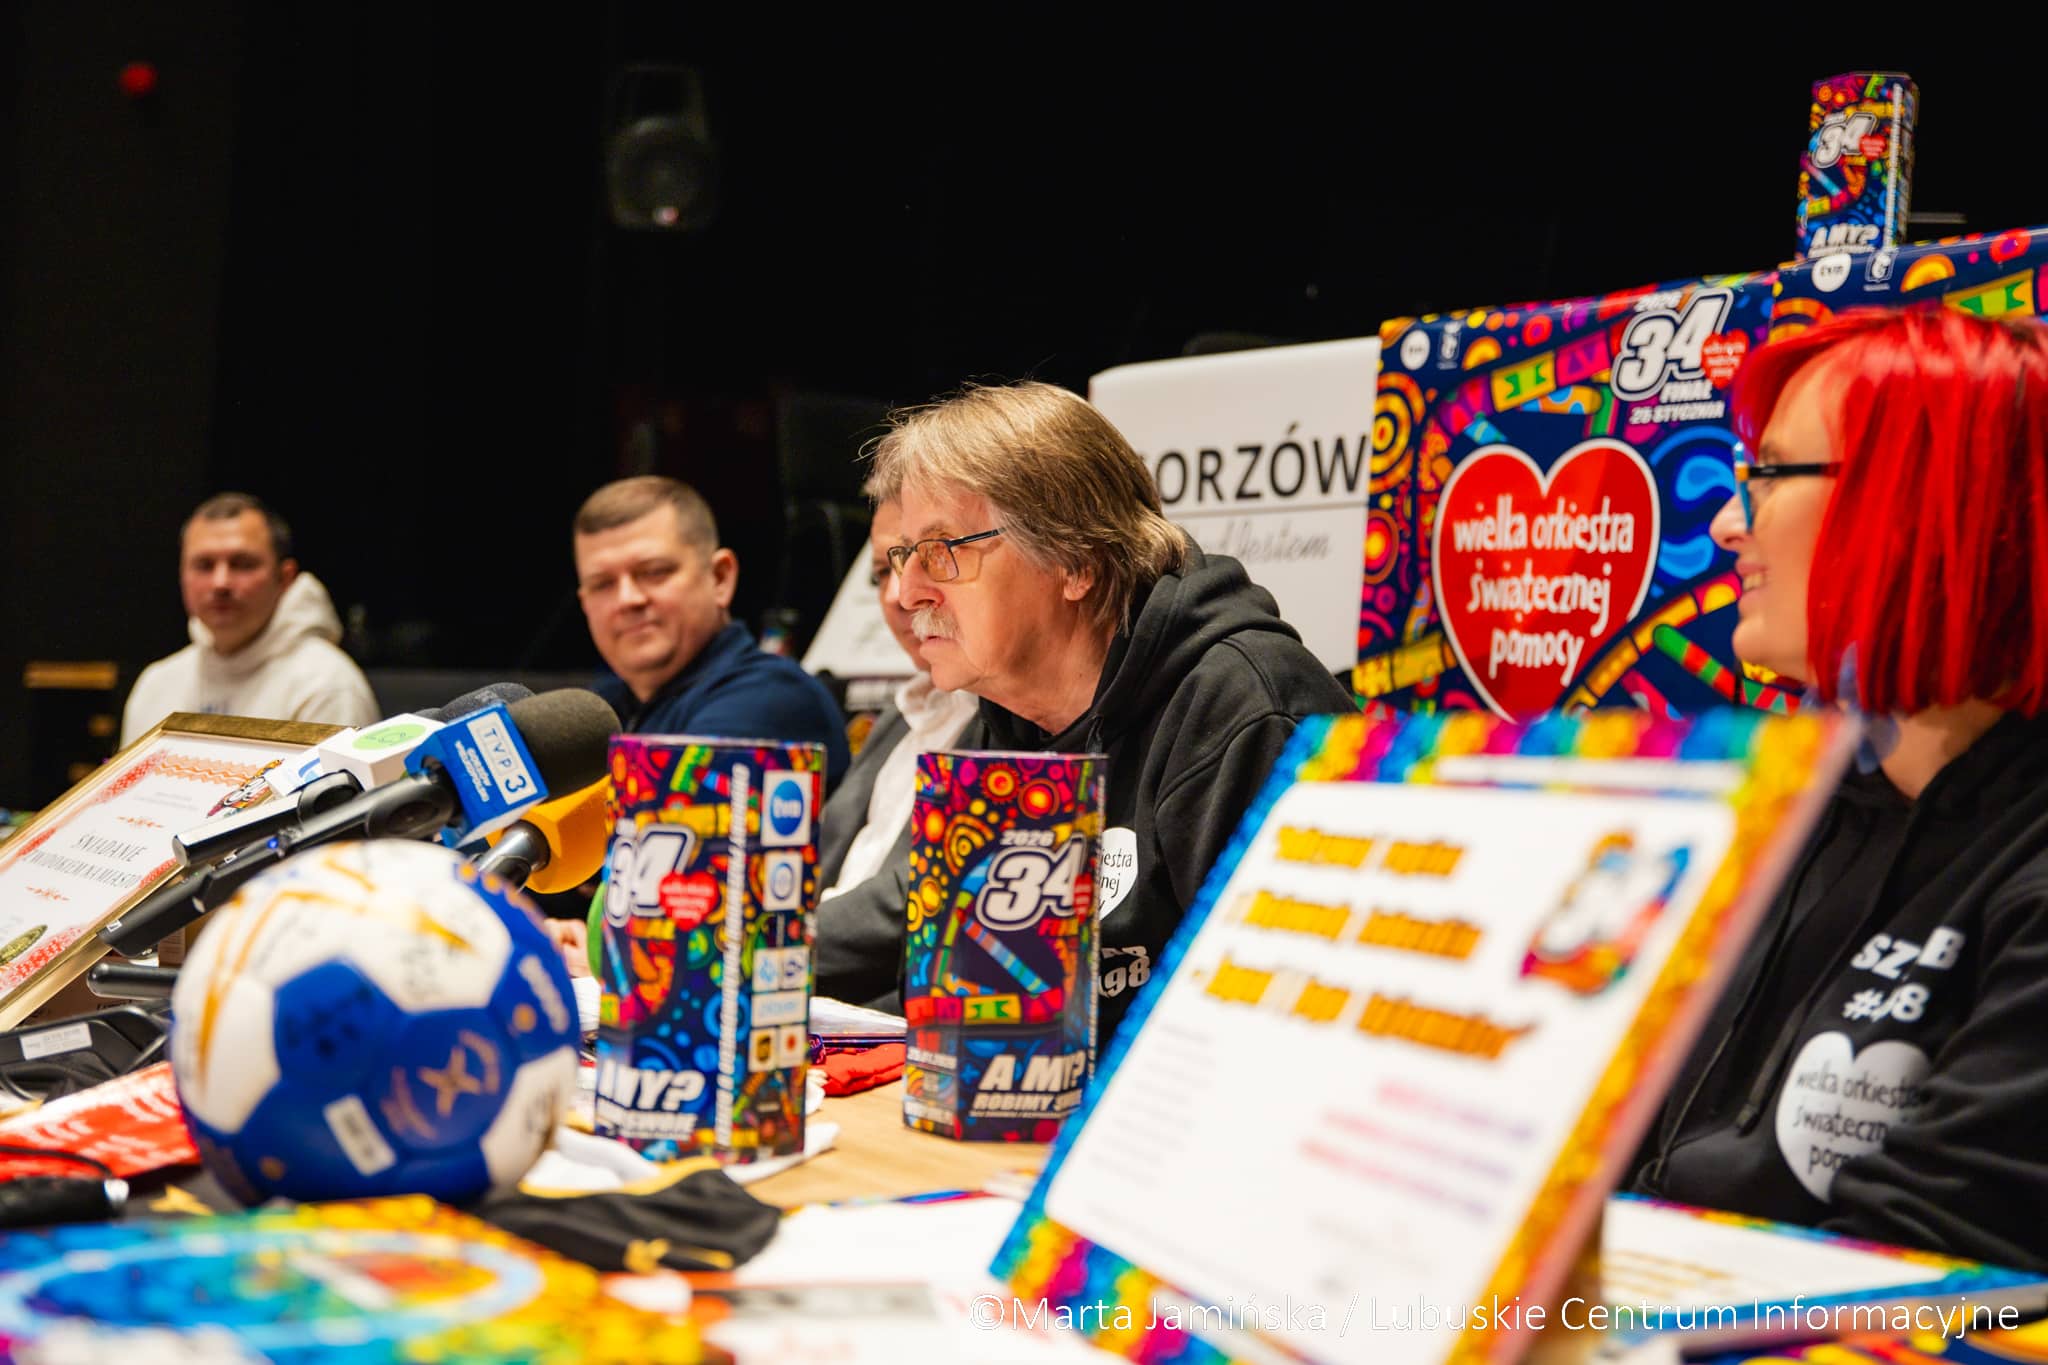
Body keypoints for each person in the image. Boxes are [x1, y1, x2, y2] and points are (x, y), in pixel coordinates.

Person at [1630, 308, 2048, 1271]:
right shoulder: (1772, 811)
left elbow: (1928, 1276)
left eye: (1773, 473)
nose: (1728, 522)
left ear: (1926, 507)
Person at [820, 381, 1353, 1037]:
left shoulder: (1246, 712)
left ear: (1075, 562)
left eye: (941, 551)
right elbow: (947, 983)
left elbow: (1289, 1029)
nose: (906, 593)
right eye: (904, 557)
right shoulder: (1005, 718)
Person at [812, 498, 981, 1004]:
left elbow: (914, 904)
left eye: (932, 559)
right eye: (883, 572)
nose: (898, 595)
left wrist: (747, 951)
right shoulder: (897, 715)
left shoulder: (1013, 719)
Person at [574, 475, 849, 784]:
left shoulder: (772, 697)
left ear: (720, 578)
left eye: (654, 572)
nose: (628, 599)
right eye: (602, 584)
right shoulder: (599, 711)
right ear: (584, 602)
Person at [122, 492, 379, 744]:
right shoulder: (155, 684)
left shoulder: (327, 685)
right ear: (182, 575)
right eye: (204, 565)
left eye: (242, 564)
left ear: (285, 578)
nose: (220, 582)